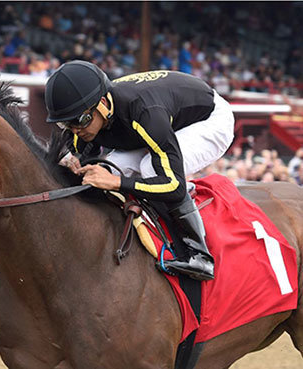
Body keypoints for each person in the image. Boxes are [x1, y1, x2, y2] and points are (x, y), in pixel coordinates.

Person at [44, 60, 235, 281]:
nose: (76, 130)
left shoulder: (145, 114)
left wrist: (116, 183)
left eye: (82, 121)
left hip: (208, 120)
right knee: (109, 166)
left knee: (149, 168)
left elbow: (173, 185)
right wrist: (72, 160)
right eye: (66, 124)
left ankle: (199, 254)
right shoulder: (87, 115)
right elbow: (82, 154)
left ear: (103, 103)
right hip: (164, 117)